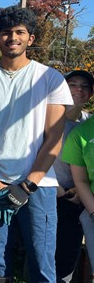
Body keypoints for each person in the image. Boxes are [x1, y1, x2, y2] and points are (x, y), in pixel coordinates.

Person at [0, 5, 73, 282]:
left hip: (38, 188)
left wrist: (29, 184)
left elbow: (53, 138)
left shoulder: (50, 79)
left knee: (41, 261)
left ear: (30, 38)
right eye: (6, 33)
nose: (13, 37)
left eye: (20, 32)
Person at [53, 70, 93, 282]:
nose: (79, 90)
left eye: (85, 86)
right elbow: (35, 156)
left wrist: (78, 190)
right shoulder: (50, 119)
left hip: (79, 197)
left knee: (69, 252)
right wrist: (61, 191)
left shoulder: (89, 124)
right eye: (73, 85)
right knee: (44, 249)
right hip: (50, 191)